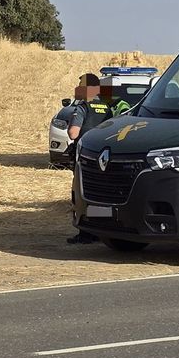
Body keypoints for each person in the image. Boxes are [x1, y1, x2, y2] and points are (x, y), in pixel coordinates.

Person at [65, 74, 117, 245]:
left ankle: (86, 233)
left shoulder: (82, 107)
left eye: (80, 85)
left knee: (83, 195)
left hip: (86, 158)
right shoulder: (106, 107)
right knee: (101, 195)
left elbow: (73, 133)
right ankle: (100, 231)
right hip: (104, 158)